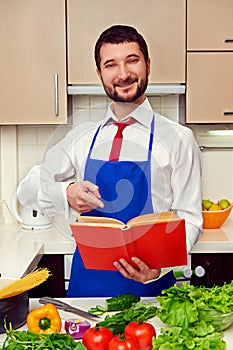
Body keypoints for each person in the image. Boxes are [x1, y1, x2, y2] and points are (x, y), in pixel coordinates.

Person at [17, 25, 203, 297]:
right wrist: (65, 193)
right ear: (100, 73)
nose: (123, 74)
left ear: (148, 65)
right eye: (111, 64)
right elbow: (27, 189)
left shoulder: (179, 139)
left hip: (152, 290)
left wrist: (160, 268)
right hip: (88, 293)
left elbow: (190, 219)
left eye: (132, 60)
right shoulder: (81, 137)